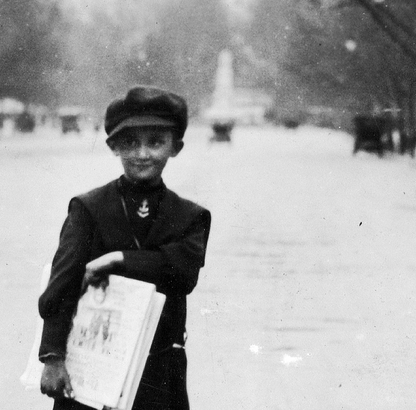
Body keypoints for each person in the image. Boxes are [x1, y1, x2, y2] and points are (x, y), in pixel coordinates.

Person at [38, 85, 211, 410]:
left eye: (156, 142)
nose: (142, 154)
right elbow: (62, 284)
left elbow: (182, 273)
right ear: (113, 146)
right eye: (130, 143)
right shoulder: (88, 208)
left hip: (159, 370)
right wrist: (52, 356)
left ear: (176, 147)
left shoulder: (189, 216)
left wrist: (119, 260)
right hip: (90, 365)